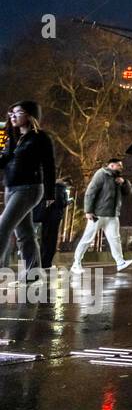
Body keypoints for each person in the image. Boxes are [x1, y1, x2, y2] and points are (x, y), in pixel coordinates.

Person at [0, 101, 57, 280]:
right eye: (11, 113)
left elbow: (49, 166)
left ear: (30, 115)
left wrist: (50, 193)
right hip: (11, 188)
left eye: (18, 112)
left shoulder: (40, 138)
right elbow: (4, 161)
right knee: (24, 233)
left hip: (29, 188)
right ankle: (33, 273)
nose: (13, 116)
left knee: (3, 227)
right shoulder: (14, 138)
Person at [70, 157, 132, 274]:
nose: (121, 167)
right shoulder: (101, 174)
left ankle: (120, 262)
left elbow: (128, 193)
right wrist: (88, 211)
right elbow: (91, 192)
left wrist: (124, 183)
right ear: (111, 165)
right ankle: (76, 263)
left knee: (115, 239)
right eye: (119, 165)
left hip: (112, 215)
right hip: (98, 214)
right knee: (87, 239)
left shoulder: (118, 178)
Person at [34, 176, 71, 270]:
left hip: (46, 216)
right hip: (54, 218)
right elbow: (59, 203)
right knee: (51, 240)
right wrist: (67, 202)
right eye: (69, 187)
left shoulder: (51, 186)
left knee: (45, 239)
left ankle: (42, 262)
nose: (68, 188)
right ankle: (46, 263)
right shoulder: (60, 188)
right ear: (66, 183)